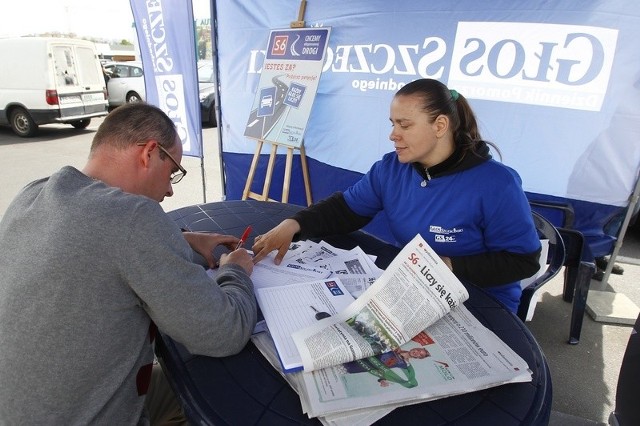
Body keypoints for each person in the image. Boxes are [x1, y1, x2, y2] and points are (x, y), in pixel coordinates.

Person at [0, 103, 257, 424]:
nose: (169, 189)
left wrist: (184, 239)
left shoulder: (34, 194)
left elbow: (103, 244)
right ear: (149, 153)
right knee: (219, 396)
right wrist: (236, 270)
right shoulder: (134, 219)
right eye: (173, 170)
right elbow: (223, 333)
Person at [252, 78, 541, 314]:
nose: (393, 134)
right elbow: (345, 209)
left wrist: (447, 265)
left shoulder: (496, 183)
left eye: (405, 125)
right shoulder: (390, 169)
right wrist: (294, 225)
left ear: (440, 126)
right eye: (392, 123)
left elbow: (523, 262)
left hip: (481, 303)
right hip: (416, 294)